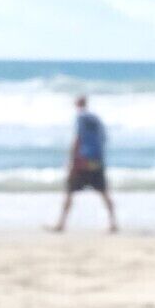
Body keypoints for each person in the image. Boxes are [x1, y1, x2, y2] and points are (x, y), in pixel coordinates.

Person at [50, 94, 117, 233]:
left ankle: (61, 224)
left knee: (70, 191)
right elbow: (104, 139)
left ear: (77, 104)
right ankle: (113, 223)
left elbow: (78, 139)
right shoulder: (97, 120)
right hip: (96, 159)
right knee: (103, 192)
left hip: (83, 160)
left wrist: (71, 160)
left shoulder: (80, 118)